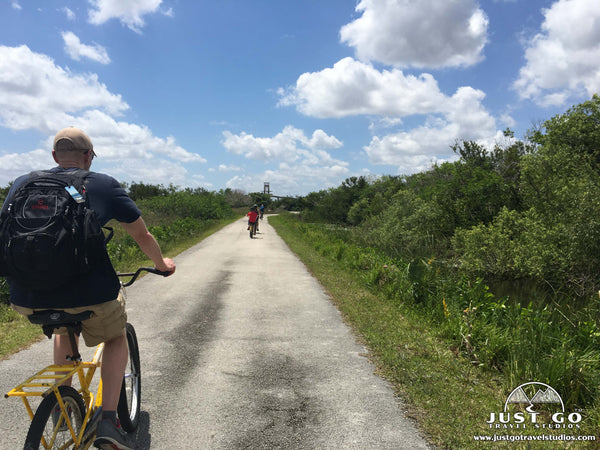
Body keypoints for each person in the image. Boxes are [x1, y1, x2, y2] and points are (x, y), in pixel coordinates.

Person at [1, 127, 176, 450]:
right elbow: (142, 235)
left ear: (55, 157)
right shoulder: (103, 184)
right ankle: (109, 418)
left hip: (26, 297)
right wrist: (162, 264)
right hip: (90, 295)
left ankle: (62, 404)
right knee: (115, 335)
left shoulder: (21, 184)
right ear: (88, 157)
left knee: (62, 329)